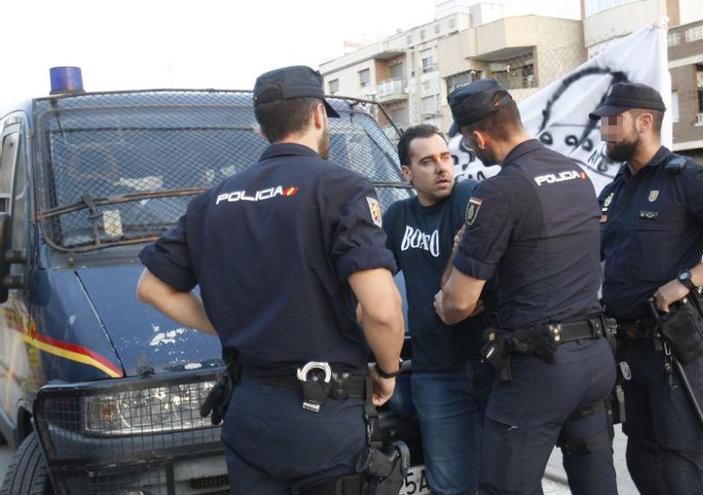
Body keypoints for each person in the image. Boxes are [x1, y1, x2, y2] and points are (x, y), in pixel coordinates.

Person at [136, 65, 405, 494]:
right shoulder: (341, 187)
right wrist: (387, 370)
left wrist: (228, 323)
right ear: (318, 115)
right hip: (324, 420)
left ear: (262, 131)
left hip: (249, 412)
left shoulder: (212, 201)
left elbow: (151, 287)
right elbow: (382, 310)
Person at [434, 79, 618, 495]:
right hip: (593, 358)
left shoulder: (499, 192)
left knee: (504, 485)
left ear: (477, 137)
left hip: (540, 368)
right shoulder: (575, 173)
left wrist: (441, 300)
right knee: (596, 482)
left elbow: (458, 303)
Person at [592, 82, 703, 495]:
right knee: (642, 456)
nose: (604, 131)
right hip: (630, 348)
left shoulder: (687, 178)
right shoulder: (615, 190)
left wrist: (688, 281)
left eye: (612, 121)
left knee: (681, 464)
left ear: (645, 121)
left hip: (672, 345)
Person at [383, 124, 494, 495]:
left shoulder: (469, 196)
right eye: (427, 161)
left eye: (445, 157)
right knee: (449, 484)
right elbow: (375, 282)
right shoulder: (397, 216)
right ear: (407, 172)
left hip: (489, 363)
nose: (442, 167)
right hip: (435, 372)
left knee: (508, 478)